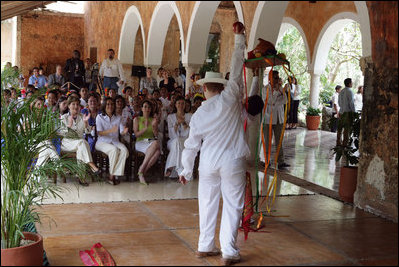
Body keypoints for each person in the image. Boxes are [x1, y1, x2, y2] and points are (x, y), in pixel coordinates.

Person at [179, 25, 249, 265]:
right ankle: (228, 251)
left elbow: (191, 145)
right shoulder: (230, 98)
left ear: (206, 88)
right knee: (232, 204)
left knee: (207, 203)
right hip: (232, 160)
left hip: (207, 163)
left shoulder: (198, 114)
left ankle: (205, 245)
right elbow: (236, 69)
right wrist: (239, 39)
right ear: (221, 86)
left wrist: (186, 170)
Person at [59, 96, 100, 186]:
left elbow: (88, 131)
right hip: (67, 143)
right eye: (73, 104)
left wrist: (85, 123)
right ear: (69, 106)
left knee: (81, 146)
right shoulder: (64, 117)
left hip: (79, 142)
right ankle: (91, 165)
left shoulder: (82, 116)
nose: (76, 106)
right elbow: (62, 133)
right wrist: (68, 126)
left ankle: (82, 177)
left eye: (77, 104)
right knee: (83, 143)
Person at [254, 70, 290, 170]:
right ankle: (266, 161)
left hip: (279, 118)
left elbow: (285, 100)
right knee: (267, 141)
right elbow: (271, 101)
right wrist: (278, 95)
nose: (277, 79)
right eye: (275, 77)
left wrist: (281, 92)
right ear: (270, 78)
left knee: (279, 141)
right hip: (268, 118)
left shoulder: (280, 89)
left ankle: (281, 161)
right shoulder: (265, 89)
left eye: (278, 77)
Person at [95, 97, 129, 185]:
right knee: (114, 150)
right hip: (102, 142)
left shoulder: (118, 117)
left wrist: (124, 132)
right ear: (104, 106)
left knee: (125, 151)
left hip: (115, 141)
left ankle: (114, 173)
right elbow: (99, 133)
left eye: (112, 104)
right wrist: (110, 131)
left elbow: (121, 131)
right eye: (108, 104)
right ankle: (111, 176)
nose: (110, 106)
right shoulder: (99, 117)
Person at [133, 100, 160, 185]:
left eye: (149, 107)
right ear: (141, 108)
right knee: (156, 146)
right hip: (140, 141)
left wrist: (154, 126)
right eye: (145, 107)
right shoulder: (137, 119)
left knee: (157, 150)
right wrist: (145, 128)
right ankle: (142, 170)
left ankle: (141, 172)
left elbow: (155, 135)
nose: (147, 109)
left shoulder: (153, 119)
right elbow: (136, 135)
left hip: (150, 141)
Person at [165, 96, 192, 177]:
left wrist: (183, 123)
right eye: (179, 103)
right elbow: (171, 135)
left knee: (179, 142)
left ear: (185, 105)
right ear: (175, 105)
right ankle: (181, 171)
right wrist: (177, 123)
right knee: (177, 141)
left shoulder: (190, 116)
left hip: (186, 140)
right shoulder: (170, 117)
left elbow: (190, 133)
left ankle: (171, 167)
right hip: (172, 141)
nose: (180, 105)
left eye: (182, 103)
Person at [337, 78, 356, 147]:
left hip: (341, 111)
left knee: (340, 128)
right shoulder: (350, 91)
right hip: (348, 113)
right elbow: (351, 103)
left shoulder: (341, 91)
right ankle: (345, 144)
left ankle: (338, 142)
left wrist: (342, 107)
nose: (352, 83)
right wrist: (354, 112)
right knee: (346, 130)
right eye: (351, 82)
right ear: (349, 83)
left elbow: (339, 102)